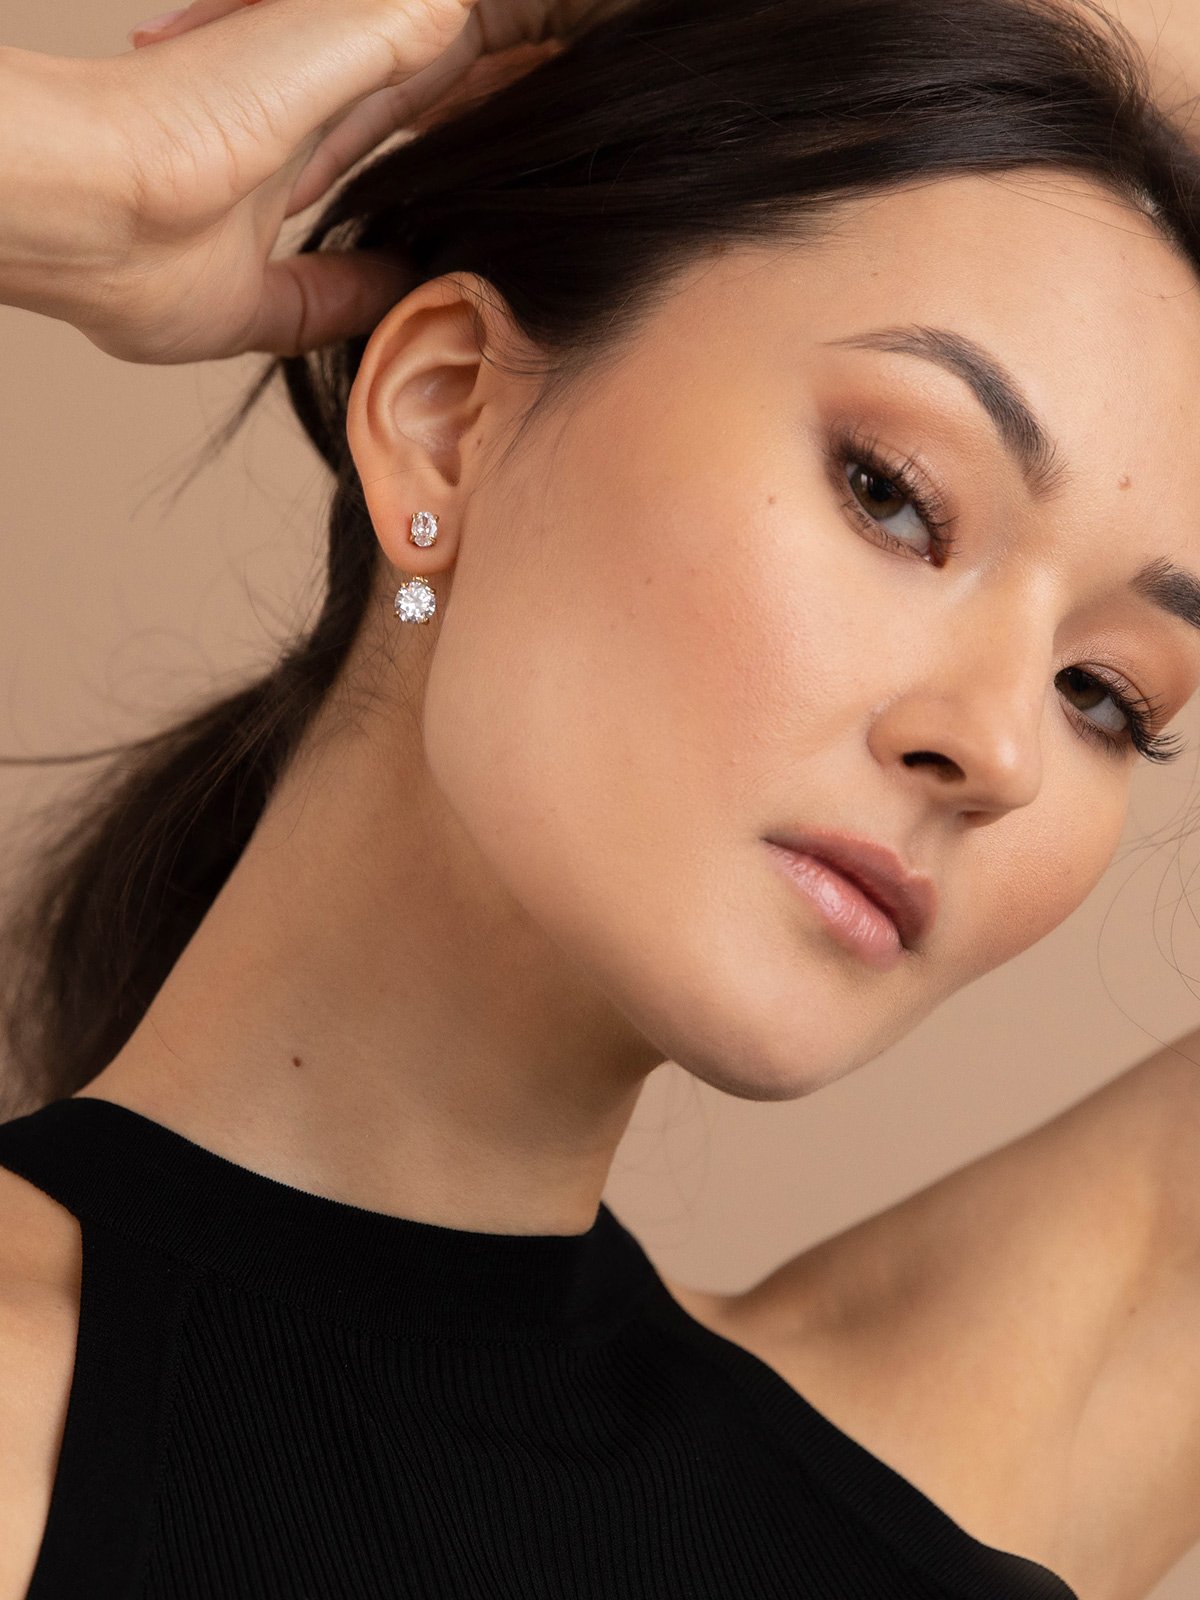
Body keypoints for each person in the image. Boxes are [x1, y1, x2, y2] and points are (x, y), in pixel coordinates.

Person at [1, 0, 1200, 1594]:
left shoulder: (925, 1486)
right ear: (447, 416)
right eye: (893, 497)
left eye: (1104, 694)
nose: (1002, 751)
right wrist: (84, 167)